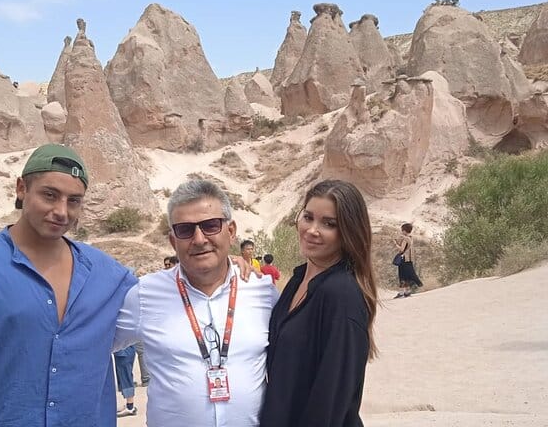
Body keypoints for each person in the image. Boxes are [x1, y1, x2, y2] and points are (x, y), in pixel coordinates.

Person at [0, 144, 137, 427]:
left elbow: (172, 306)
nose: (61, 211)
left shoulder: (109, 275)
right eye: (50, 195)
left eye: (74, 200)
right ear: (22, 188)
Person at [115, 179, 278, 426]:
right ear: (173, 241)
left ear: (231, 231)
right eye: (185, 230)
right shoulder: (144, 294)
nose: (199, 239)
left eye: (211, 226)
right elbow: (90, 346)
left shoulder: (262, 291)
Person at [259, 179, 378, 427]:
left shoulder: (341, 295)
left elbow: (329, 400)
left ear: (348, 232)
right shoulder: (298, 280)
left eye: (329, 224)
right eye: (308, 217)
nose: (312, 230)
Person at [393, 222, 423, 298]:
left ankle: (401, 293)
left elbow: (401, 249)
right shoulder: (410, 238)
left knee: (402, 275)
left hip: (404, 259)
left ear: (404, 230)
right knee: (407, 276)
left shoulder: (405, 239)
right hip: (409, 259)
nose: (401, 231)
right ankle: (407, 292)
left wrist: (395, 244)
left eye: (402, 230)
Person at [114, 345, 138, 417]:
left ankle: (130, 407)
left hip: (123, 352)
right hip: (124, 351)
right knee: (125, 377)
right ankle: (129, 405)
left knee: (126, 378)